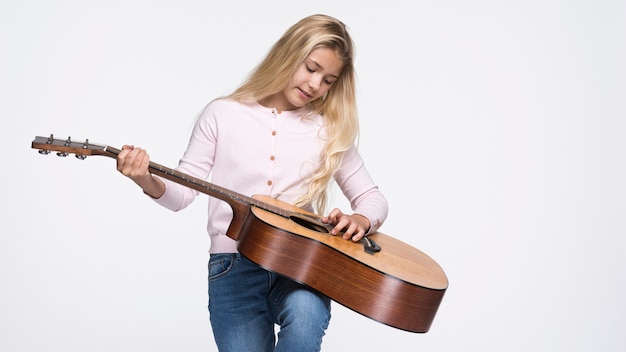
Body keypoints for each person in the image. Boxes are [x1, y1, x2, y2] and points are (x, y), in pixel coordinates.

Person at [116, 14, 388, 352]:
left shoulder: (328, 131)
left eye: (329, 79)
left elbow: (373, 199)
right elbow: (181, 195)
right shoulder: (222, 114)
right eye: (311, 68)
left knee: (306, 317)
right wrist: (144, 177)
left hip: (300, 265)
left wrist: (360, 219)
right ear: (288, 54)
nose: (316, 84)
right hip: (233, 266)